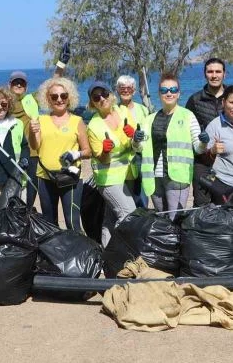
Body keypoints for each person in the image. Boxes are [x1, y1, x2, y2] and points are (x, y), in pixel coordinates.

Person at [0, 46, 68, 208]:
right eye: (15, 82)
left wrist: (61, 64)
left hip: (29, 156)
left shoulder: (32, 99)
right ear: (10, 85)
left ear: (25, 85)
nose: (18, 85)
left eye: (21, 83)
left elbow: (52, 84)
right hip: (4, 157)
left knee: (25, 203)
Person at [85, 81, 144, 246]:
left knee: (110, 218)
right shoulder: (93, 126)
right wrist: (105, 151)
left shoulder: (123, 111)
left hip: (129, 173)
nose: (102, 99)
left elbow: (137, 146)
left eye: (104, 93)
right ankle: (120, 253)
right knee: (128, 213)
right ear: (92, 103)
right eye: (96, 97)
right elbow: (101, 159)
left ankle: (107, 255)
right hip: (108, 178)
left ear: (111, 94)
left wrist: (135, 137)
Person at [140, 74, 206, 220]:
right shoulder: (149, 119)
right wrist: (135, 141)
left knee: (175, 220)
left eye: (173, 89)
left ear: (178, 93)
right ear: (159, 94)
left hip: (177, 178)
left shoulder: (188, 116)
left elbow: (199, 148)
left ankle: (178, 243)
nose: (169, 93)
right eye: (164, 90)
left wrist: (204, 142)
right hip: (154, 177)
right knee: (161, 219)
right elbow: (139, 147)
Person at [28, 77, 90, 231]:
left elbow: (88, 151)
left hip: (71, 178)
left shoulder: (77, 121)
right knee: (49, 222)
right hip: (45, 176)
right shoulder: (41, 120)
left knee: (72, 221)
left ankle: (78, 253)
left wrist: (75, 154)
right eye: (54, 96)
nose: (59, 99)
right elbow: (35, 146)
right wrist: (32, 131)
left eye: (63, 95)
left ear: (69, 98)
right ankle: (53, 254)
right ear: (48, 99)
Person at [185, 58, 227, 206]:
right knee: (201, 205)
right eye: (210, 71)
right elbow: (187, 131)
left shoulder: (232, 97)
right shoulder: (195, 100)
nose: (214, 75)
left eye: (218, 71)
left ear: (224, 74)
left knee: (225, 203)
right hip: (202, 161)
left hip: (227, 159)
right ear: (205, 74)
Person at [116, 75, 150, 209]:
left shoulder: (143, 109)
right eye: (122, 88)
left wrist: (137, 136)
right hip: (121, 160)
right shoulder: (113, 110)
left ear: (134, 90)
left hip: (140, 158)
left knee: (141, 197)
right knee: (125, 200)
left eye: (129, 88)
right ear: (117, 90)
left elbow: (148, 135)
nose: (125, 91)